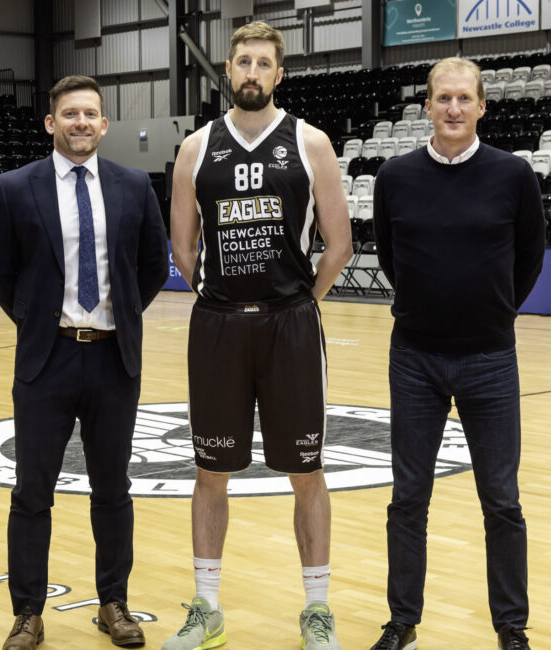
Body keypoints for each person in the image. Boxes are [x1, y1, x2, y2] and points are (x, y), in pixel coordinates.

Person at [161, 20, 353, 650]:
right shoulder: (196, 149)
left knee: (308, 471)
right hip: (218, 326)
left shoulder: (311, 143)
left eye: (263, 63)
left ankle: (317, 611)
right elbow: (183, 248)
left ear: (279, 74)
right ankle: (207, 607)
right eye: (242, 61)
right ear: (228, 69)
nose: (251, 72)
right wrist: (221, 299)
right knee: (210, 470)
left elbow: (339, 244)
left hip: (290, 327)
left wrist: (299, 303)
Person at [0, 74, 169, 650]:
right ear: (50, 123)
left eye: (90, 114)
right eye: (70, 114)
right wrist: (41, 322)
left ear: (105, 123)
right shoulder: (15, 187)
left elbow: (153, 266)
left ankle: (113, 603)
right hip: (47, 361)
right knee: (31, 492)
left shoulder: (134, 185)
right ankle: (28, 613)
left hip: (113, 359)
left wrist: (119, 319)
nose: (80, 123)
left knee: (113, 489)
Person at [368, 57, 546, 650]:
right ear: (426, 106)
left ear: (482, 106)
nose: (453, 109)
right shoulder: (394, 175)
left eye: (464, 99)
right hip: (414, 357)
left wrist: (491, 312)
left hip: (490, 359)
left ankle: (511, 628)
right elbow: (391, 259)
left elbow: (529, 260)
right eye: (442, 98)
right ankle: (402, 623)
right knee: (408, 499)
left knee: (502, 500)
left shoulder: (514, 174)